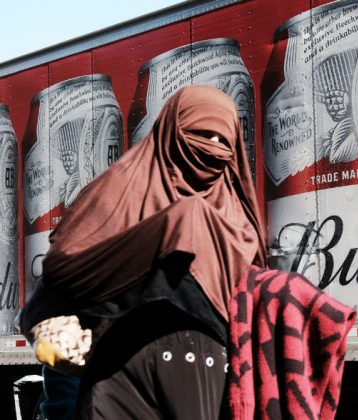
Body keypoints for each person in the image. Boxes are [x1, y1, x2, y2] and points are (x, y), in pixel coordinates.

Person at [21, 85, 268, 419]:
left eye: (224, 140)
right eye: (199, 135)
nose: (213, 148)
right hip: (117, 381)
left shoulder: (236, 217)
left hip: (205, 385)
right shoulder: (119, 193)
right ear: (171, 132)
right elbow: (63, 275)